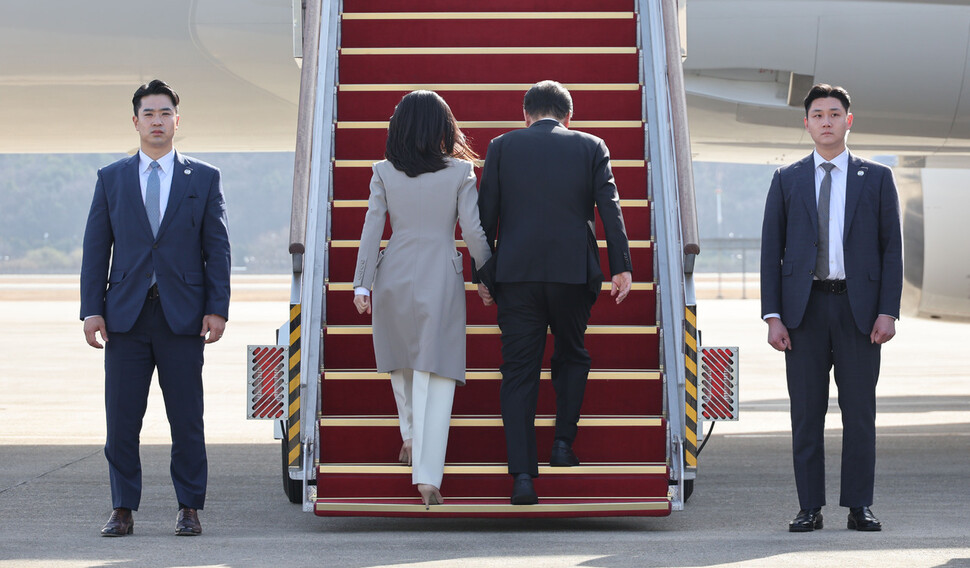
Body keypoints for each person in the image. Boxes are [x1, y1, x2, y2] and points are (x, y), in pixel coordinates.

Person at [80, 80, 231, 537]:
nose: (157, 122)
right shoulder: (112, 178)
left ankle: (189, 507)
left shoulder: (203, 178)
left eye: (165, 113)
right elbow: (95, 249)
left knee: (186, 418)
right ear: (136, 121)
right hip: (124, 317)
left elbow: (217, 247)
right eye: (149, 114)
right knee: (122, 420)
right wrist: (91, 309)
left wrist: (217, 307)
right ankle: (122, 508)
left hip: (183, 317)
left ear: (177, 121)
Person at [475, 80, 633, 504]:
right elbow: (610, 209)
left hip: (517, 275)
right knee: (572, 353)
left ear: (525, 115)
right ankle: (563, 444)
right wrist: (621, 266)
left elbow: (485, 215)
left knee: (519, 371)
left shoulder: (502, 146)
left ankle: (523, 478)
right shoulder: (591, 146)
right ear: (568, 116)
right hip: (572, 274)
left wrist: (484, 275)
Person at [760, 83, 902, 532]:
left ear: (848, 121)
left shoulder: (876, 178)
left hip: (859, 313)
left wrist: (888, 310)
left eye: (834, 114)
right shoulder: (787, 179)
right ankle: (809, 507)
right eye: (818, 114)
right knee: (806, 413)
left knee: (860, 412)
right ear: (806, 124)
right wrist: (773, 315)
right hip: (804, 314)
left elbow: (891, 251)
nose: (826, 121)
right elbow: (771, 252)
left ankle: (859, 505)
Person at [352, 90, 492, 508]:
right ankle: (428, 476)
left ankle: (410, 437)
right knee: (438, 372)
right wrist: (487, 275)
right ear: (443, 128)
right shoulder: (460, 172)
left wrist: (362, 284)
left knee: (402, 363)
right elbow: (473, 232)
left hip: (393, 271)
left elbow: (371, 228)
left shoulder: (383, 171)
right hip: (440, 277)